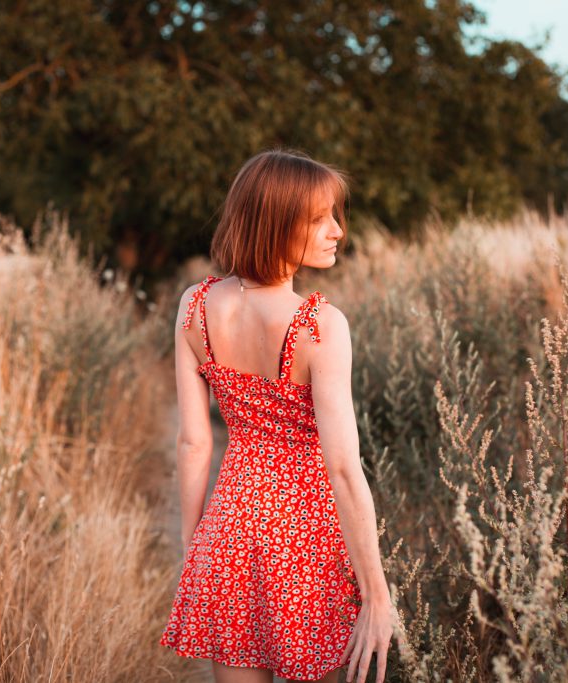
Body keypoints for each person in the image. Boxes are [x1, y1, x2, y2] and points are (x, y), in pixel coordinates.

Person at [160, 148, 395, 683]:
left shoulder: (193, 307)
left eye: (336, 214)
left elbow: (194, 443)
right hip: (305, 541)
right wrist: (377, 595)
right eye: (319, 218)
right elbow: (342, 468)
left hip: (227, 533)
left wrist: (194, 551)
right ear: (275, 221)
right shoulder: (320, 326)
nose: (337, 230)